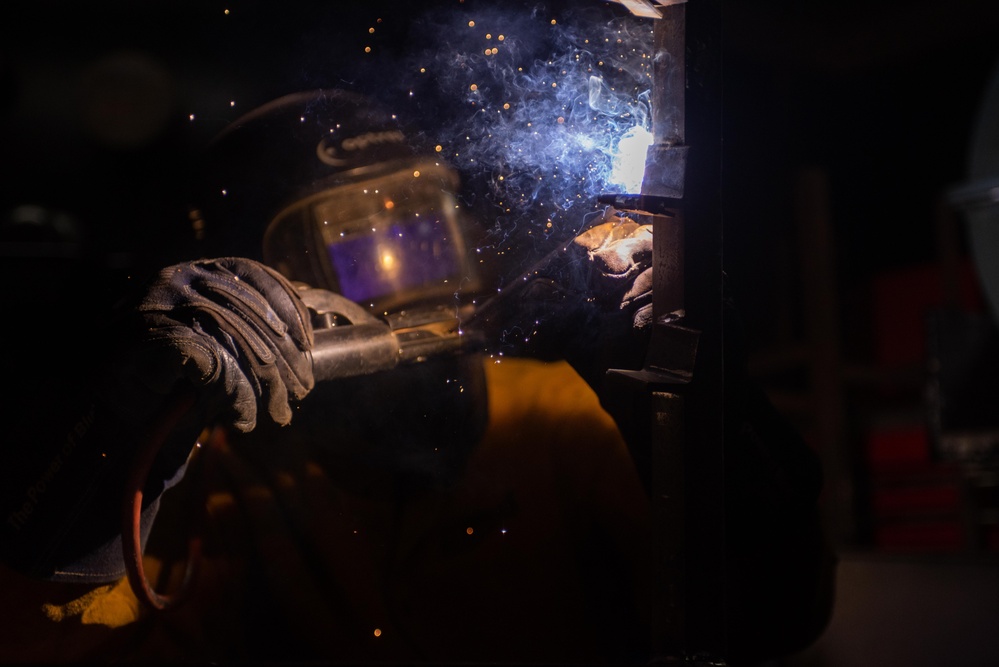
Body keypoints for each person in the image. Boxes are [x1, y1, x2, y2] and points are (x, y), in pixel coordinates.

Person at [0, 89, 832, 665]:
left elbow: (772, 617)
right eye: (360, 253)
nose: (412, 289)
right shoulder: (222, 483)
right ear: (259, 284)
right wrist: (112, 441)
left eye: (427, 235)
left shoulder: (559, 420)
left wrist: (695, 410)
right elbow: (58, 649)